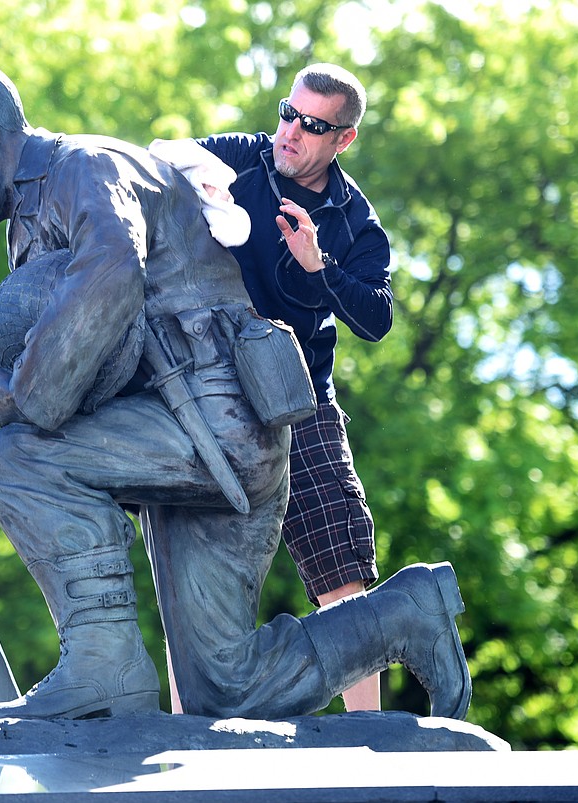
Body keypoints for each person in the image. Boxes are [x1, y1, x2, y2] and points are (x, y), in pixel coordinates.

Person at [0, 59, 470, 722]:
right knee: (227, 686)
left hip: (217, 425)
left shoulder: (83, 170)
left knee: (16, 456)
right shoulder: (31, 218)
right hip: (187, 439)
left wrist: (31, 403)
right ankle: (408, 612)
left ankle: (105, 667)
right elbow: (38, 365)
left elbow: (111, 273)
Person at [189, 63, 392, 712]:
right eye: (287, 112)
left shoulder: (354, 219)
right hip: (214, 392)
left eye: (313, 124)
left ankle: (371, 740)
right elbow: (153, 162)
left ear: (344, 138)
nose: (291, 132)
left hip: (298, 396)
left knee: (344, 571)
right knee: (189, 577)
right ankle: (183, 742)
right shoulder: (241, 157)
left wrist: (319, 266)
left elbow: (378, 316)